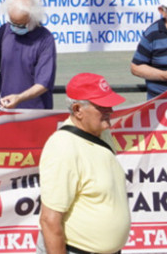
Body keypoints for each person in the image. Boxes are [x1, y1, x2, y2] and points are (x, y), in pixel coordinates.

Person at [37, 72, 130, 254]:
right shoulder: (63, 146)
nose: (110, 111)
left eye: (110, 105)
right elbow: (49, 220)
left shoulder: (100, 134)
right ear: (78, 109)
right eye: (102, 107)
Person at [0, 0, 56, 109]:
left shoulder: (45, 39)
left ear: (33, 18)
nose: (15, 27)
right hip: (5, 106)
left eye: (20, 24)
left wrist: (19, 98)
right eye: (12, 22)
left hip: (34, 111)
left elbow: (43, 84)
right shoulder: (5, 30)